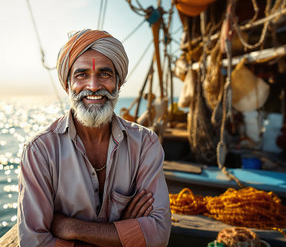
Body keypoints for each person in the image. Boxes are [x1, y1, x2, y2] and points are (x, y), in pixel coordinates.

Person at [18, 29, 171, 246]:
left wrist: (71, 228)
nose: (93, 86)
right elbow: (35, 242)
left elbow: (158, 235)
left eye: (104, 74)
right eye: (82, 75)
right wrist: (125, 233)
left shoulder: (145, 144)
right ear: (67, 85)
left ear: (118, 84)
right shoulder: (40, 151)